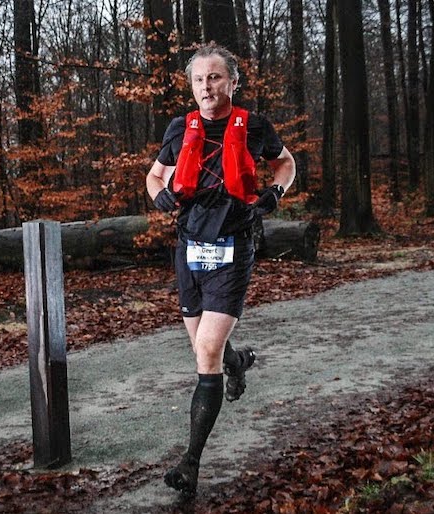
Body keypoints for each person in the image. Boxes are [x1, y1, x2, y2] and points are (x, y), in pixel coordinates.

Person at [145, 43, 296, 497]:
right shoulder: (179, 128)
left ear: (232, 82)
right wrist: (159, 195)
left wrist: (275, 193)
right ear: (191, 87)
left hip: (234, 245)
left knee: (206, 350)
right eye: (198, 80)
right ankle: (239, 363)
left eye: (214, 78)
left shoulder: (254, 126)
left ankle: (189, 464)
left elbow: (286, 163)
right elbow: (154, 175)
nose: (206, 87)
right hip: (189, 247)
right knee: (205, 351)